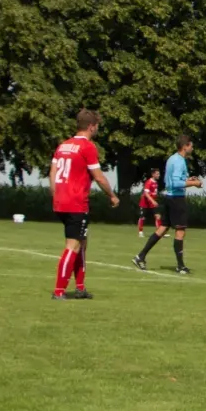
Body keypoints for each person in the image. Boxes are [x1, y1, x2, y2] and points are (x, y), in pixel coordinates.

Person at [50, 110, 118, 300]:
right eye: (97, 126)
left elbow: (53, 172)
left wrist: (55, 193)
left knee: (82, 243)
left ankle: (80, 288)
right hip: (76, 202)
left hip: (61, 201)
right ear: (91, 126)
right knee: (72, 245)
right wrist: (112, 195)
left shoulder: (63, 145)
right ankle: (59, 291)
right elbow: (99, 177)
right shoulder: (87, 147)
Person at [135, 137, 201, 274]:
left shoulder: (172, 159)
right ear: (185, 146)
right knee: (180, 230)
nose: (192, 148)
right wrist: (194, 183)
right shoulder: (180, 161)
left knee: (162, 228)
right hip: (177, 199)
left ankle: (140, 256)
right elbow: (176, 183)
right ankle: (180, 266)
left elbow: (169, 180)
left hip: (169, 197)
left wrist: (188, 179)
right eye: (191, 146)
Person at [134, 168, 163, 251]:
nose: (159, 175)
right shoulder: (149, 182)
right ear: (153, 174)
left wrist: (154, 200)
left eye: (159, 174)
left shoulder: (155, 183)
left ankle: (160, 233)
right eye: (157, 174)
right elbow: (146, 193)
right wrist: (153, 201)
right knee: (142, 217)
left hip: (152, 203)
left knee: (158, 216)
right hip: (145, 203)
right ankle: (140, 232)